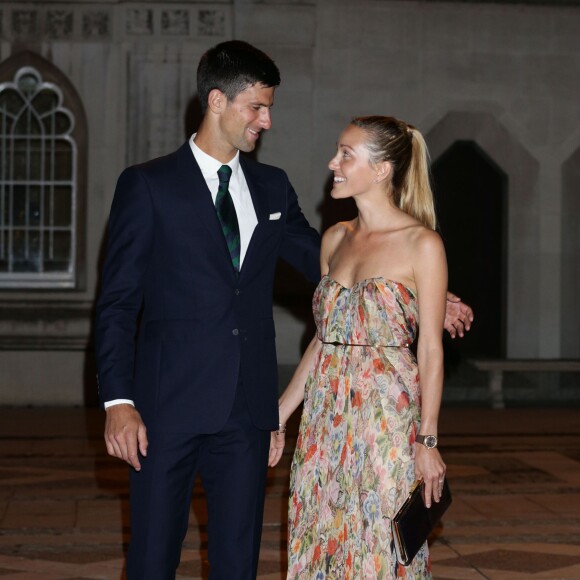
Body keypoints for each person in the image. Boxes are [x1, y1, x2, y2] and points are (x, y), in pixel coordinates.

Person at [96, 40, 472, 578]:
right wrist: (117, 401)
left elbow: (342, 272)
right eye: (257, 107)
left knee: (237, 562)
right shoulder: (148, 185)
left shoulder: (272, 187)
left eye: (270, 107)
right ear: (218, 102)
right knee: (152, 559)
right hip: (164, 410)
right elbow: (116, 302)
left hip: (248, 416)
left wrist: (431, 299)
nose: (267, 121)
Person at [270, 116, 449, 578]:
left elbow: (430, 349)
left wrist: (427, 440)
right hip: (325, 421)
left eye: (346, 154)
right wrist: (280, 414)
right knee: (320, 535)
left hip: (386, 421)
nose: (334, 163)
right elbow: (325, 339)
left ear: (383, 169)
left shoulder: (421, 244)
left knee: (382, 547)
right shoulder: (335, 239)